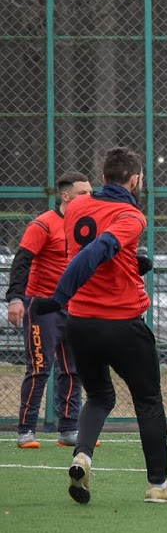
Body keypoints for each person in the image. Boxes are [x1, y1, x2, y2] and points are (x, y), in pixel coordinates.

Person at [34, 146, 167, 504]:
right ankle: (159, 484)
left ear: (103, 178)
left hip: (81, 324)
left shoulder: (75, 208)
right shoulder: (131, 215)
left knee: (100, 396)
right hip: (121, 324)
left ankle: (82, 457)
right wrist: (59, 295)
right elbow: (97, 252)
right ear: (135, 181)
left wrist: (133, 265)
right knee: (149, 400)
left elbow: (93, 255)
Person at [5, 173, 93, 449]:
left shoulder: (87, 226)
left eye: (91, 192)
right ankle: (26, 429)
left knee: (73, 369)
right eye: (83, 193)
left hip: (75, 307)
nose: (89, 198)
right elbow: (22, 261)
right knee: (40, 368)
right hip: (43, 306)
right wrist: (16, 299)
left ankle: (69, 429)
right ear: (65, 196)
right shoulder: (43, 224)